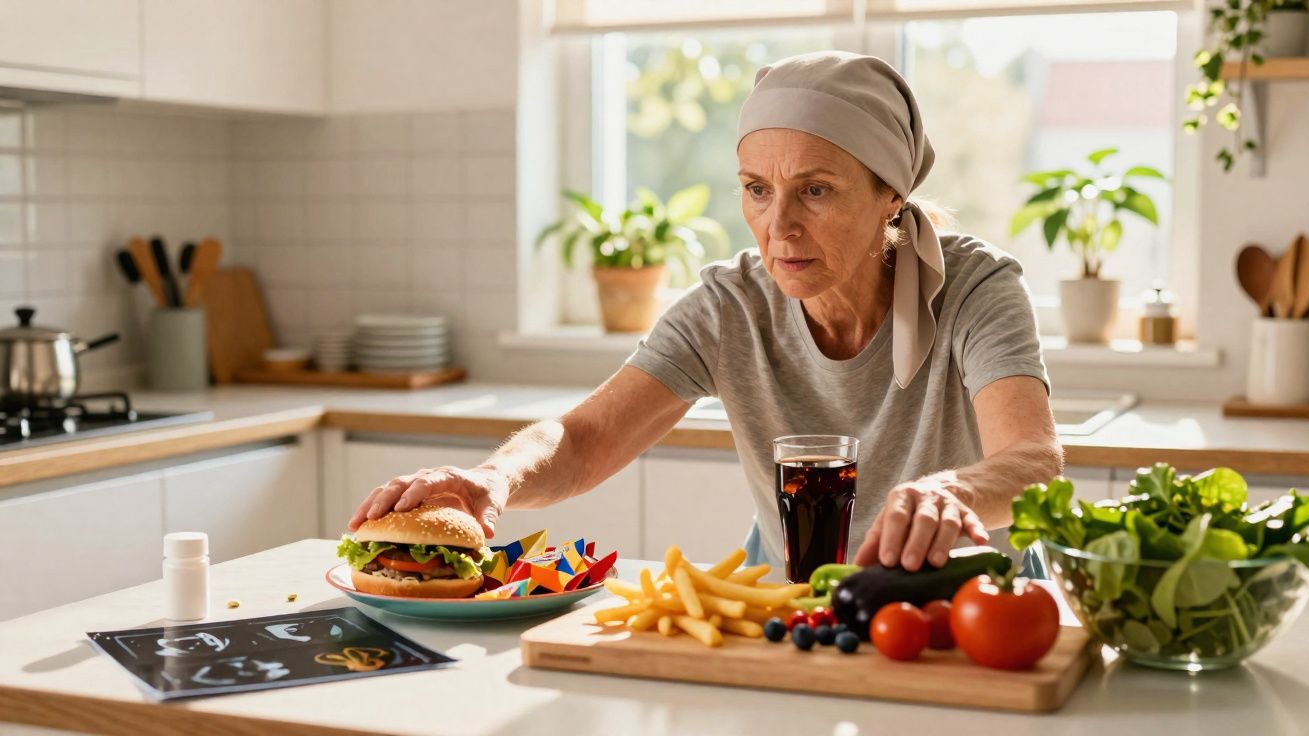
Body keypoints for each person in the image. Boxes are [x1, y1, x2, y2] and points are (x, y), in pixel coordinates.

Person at [349, 51, 1062, 573]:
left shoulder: (975, 287)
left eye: (815, 191)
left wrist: (948, 490)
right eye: (757, 189)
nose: (778, 225)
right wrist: (494, 477)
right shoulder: (733, 304)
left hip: (971, 605)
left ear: (891, 198)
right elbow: (585, 438)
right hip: (792, 600)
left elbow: (1033, 462)